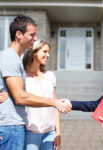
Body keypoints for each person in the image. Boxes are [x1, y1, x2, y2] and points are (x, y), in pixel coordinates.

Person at [0, 15, 70, 150]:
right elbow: (20, 97)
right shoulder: (10, 58)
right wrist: (53, 102)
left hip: (15, 126)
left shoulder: (14, 59)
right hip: (10, 128)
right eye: (32, 35)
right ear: (19, 34)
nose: (35, 38)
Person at [23, 40, 61, 150]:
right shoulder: (23, 77)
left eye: (48, 52)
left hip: (50, 133)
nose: (48, 55)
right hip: (31, 132)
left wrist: (58, 133)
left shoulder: (50, 76)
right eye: (45, 51)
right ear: (34, 52)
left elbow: (55, 105)